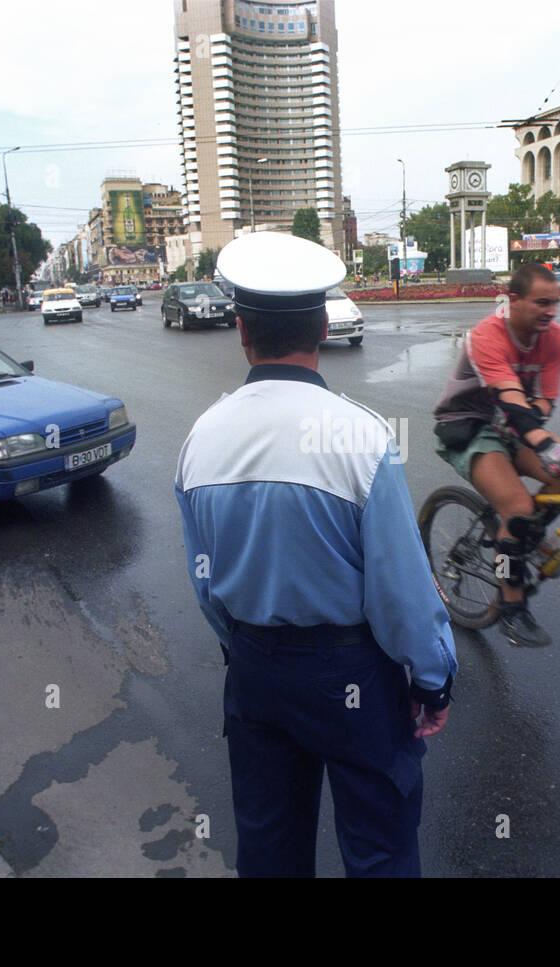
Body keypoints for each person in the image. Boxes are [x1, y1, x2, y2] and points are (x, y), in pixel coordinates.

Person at [175, 231, 456, 878]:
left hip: (254, 674)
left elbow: (204, 583)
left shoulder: (202, 439)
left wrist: (247, 648)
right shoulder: (361, 437)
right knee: (380, 847)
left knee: (270, 847)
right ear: (324, 324)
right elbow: (401, 593)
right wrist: (433, 678)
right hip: (351, 674)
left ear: (241, 330)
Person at [431, 262, 560, 648]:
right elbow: (513, 402)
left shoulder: (555, 339)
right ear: (513, 300)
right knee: (517, 509)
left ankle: (521, 538)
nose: (550, 311)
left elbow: (543, 402)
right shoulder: (487, 335)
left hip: (511, 423)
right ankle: (511, 607)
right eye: (541, 303)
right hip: (467, 423)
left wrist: (546, 440)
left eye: (555, 303)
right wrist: (541, 439)